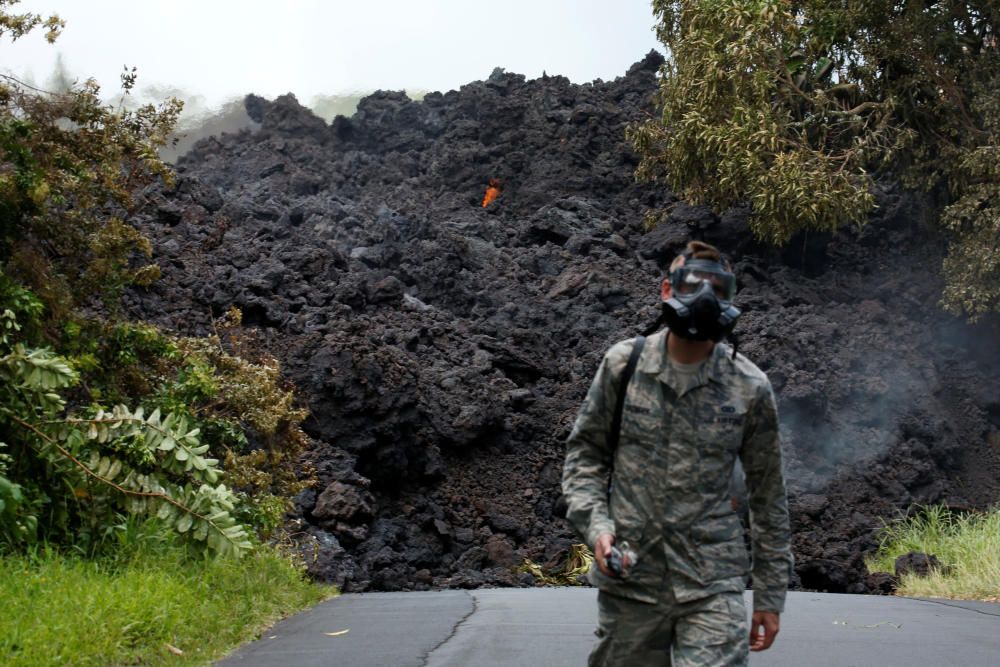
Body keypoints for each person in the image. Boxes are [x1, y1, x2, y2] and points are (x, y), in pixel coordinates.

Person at [561, 241, 791, 666]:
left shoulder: (748, 386)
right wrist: (597, 529)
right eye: (692, 285)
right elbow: (586, 457)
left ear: (731, 298)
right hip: (631, 577)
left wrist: (770, 594)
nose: (705, 298)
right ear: (667, 290)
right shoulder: (623, 367)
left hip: (712, 583)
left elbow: (768, 496)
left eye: (717, 289)